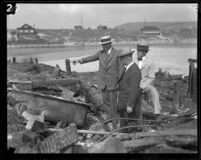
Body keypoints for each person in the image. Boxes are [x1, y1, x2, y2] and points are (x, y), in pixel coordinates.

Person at [71, 35, 121, 130]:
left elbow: (121, 68)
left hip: (113, 83)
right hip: (103, 83)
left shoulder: (117, 54)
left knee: (113, 104)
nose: (103, 46)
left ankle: (115, 124)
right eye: (102, 44)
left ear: (110, 43)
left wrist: (119, 80)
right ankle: (108, 117)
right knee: (106, 102)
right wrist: (79, 60)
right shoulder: (100, 53)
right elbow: (91, 58)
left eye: (105, 44)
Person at [134, 43, 162, 120]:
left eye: (139, 51)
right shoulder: (132, 58)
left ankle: (157, 113)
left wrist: (142, 86)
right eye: (137, 50)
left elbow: (151, 78)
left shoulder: (150, 63)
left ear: (144, 52)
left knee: (154, 91)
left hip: (144, 83)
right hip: (132, 83)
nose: (137, 52)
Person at [117, 48, 142, 133]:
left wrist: (130, 105)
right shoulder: (127, 69)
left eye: (121, 58)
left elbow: (134, 90)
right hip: (123, 105)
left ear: (127, 58)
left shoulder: (134, 70)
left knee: (132, 127)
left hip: (129, 106)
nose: (120, 60)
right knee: (123, 129)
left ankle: (133, 143)